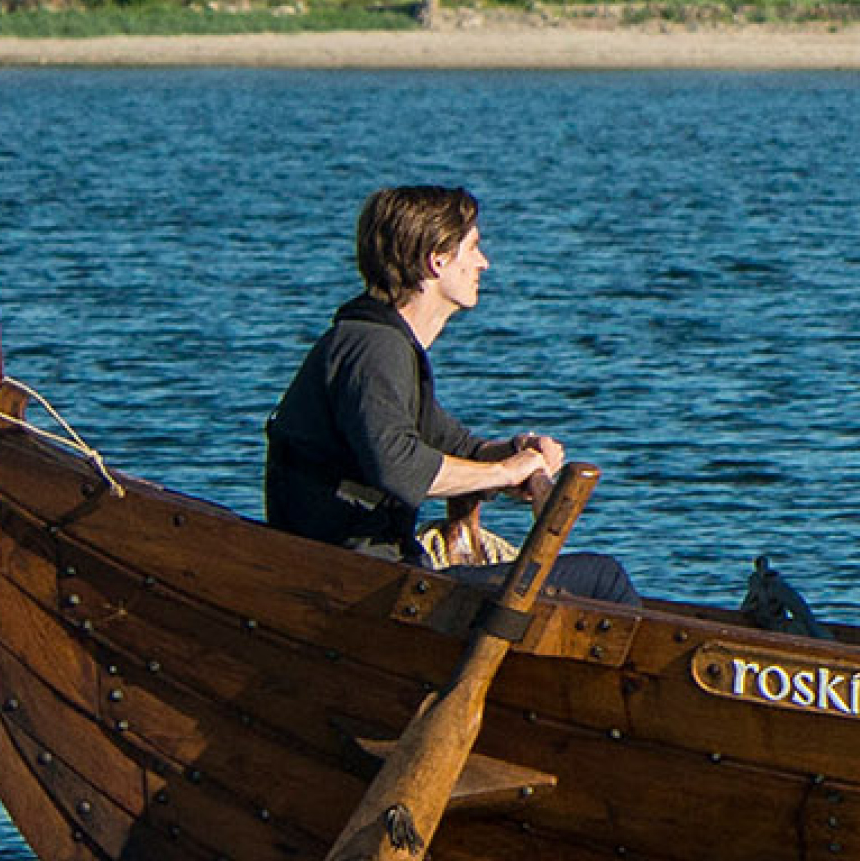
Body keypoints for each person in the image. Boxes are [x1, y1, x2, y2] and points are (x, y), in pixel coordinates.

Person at [262, 185, 624, 598]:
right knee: (603, 579)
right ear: (436, 261)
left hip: (362, 574)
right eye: (472, 249)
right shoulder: (374, 348)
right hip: (360, 585)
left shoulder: (381, 344)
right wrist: (507, 472)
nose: (483, 264)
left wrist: (515, 451)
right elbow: (399, 468)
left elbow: (455, 447)